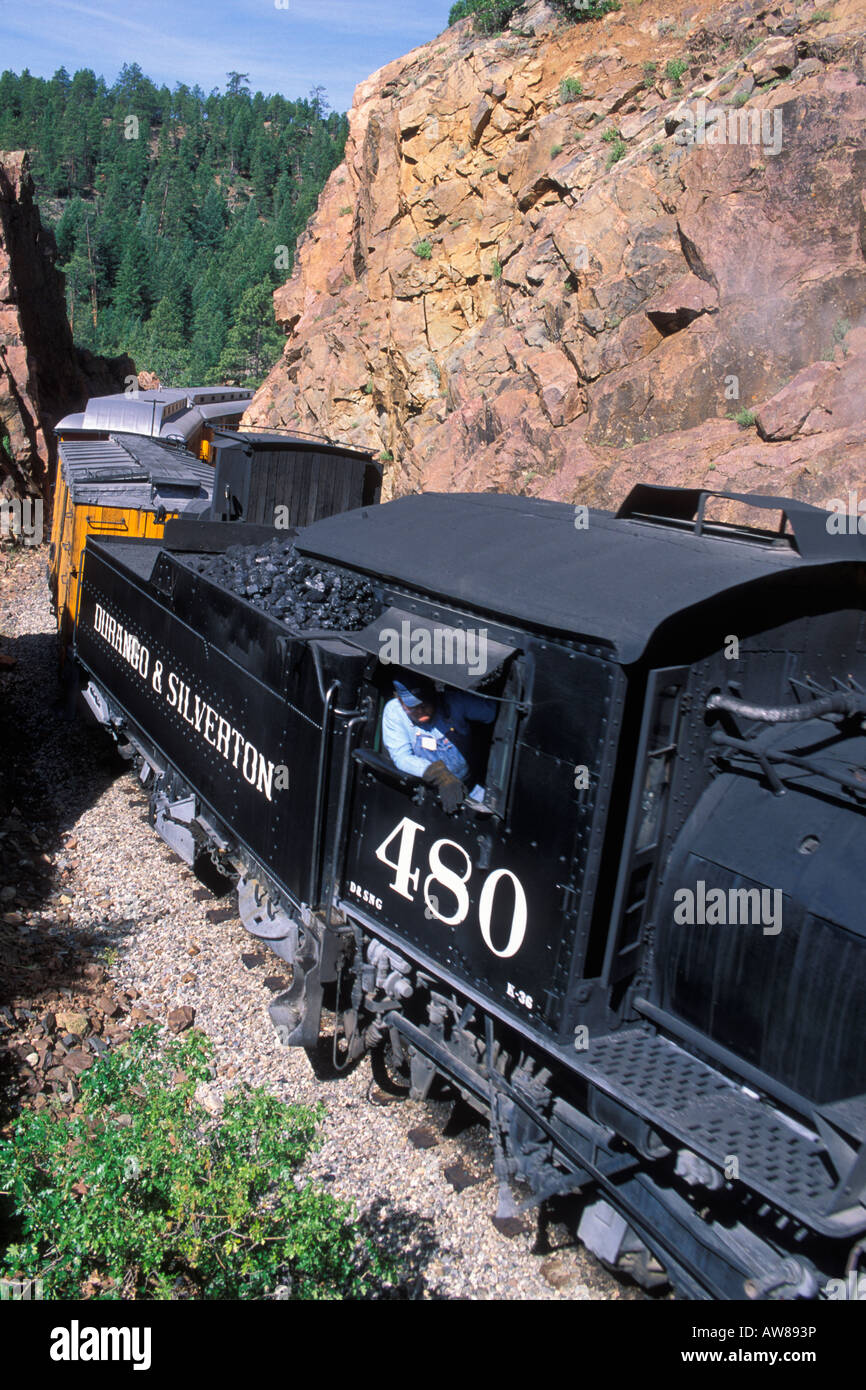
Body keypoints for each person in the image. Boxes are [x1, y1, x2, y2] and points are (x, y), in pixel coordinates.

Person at [381, 676, 496, 812]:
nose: (420, 710)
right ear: (400, 702)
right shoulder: (394, 712)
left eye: (424, 704)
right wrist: (439, 775)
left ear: (434, 696)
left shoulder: (455, 703)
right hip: (425, 792)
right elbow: (401, 757)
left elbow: (494, 712)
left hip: (468, 786)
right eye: (412, 707)